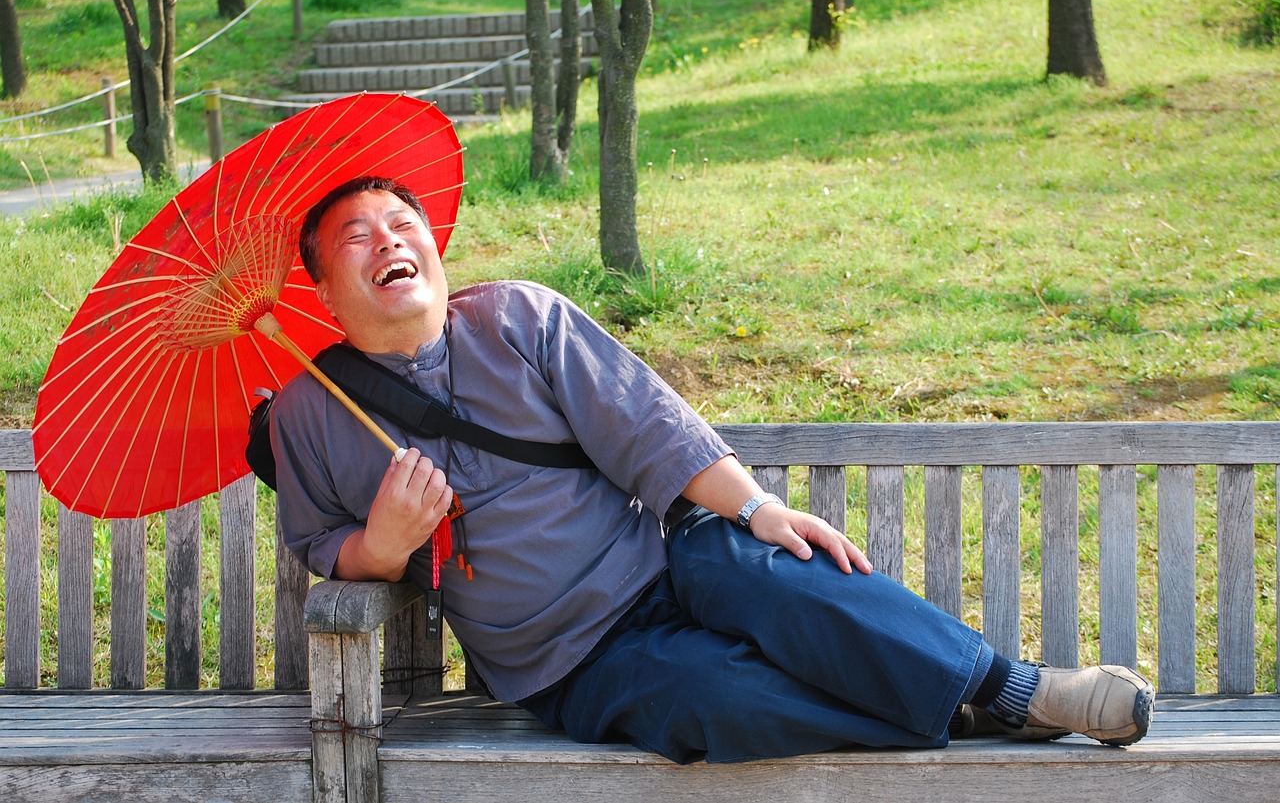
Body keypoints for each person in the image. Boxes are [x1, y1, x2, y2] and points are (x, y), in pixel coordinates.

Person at [271, 175, 1154, 764]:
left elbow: (645, 423)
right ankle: (948, 712)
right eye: (355, 236)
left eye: (401, 222)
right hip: (567, 662)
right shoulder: (309, 413)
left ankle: (1022, 689)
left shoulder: (518, 320)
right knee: (714, 698)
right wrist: (384, 545)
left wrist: (758, 507)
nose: (387, 239)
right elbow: (321, 542)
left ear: (433, 245)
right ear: (320, 283)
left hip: (663, 558)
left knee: (792, 579)